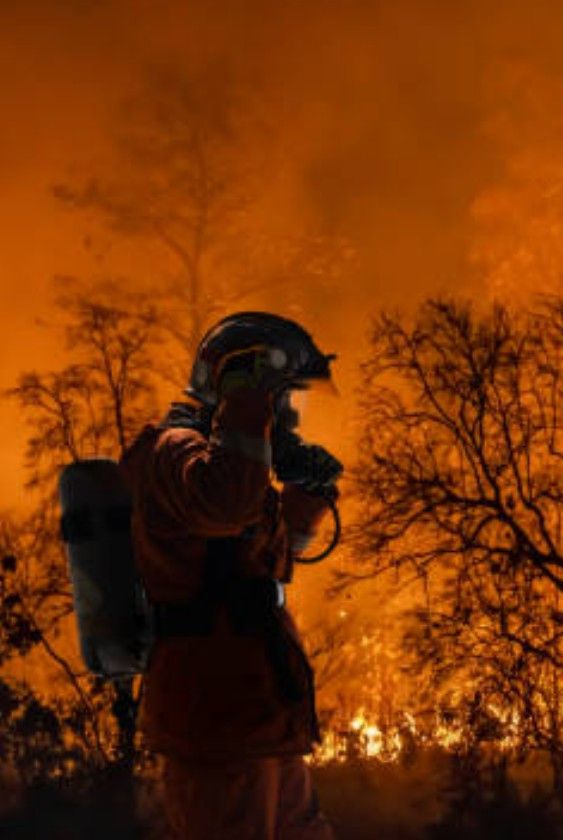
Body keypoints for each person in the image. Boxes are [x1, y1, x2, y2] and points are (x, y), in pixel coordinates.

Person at [119, 312, 343, 840]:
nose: (289, 416)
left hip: (260, 719)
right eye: (283, 396)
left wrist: (304, 506)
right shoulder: (174, 452)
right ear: (240, 386)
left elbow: (261, 575)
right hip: (216, 724)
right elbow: (226, 509)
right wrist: (247, 408)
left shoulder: (223, 464)